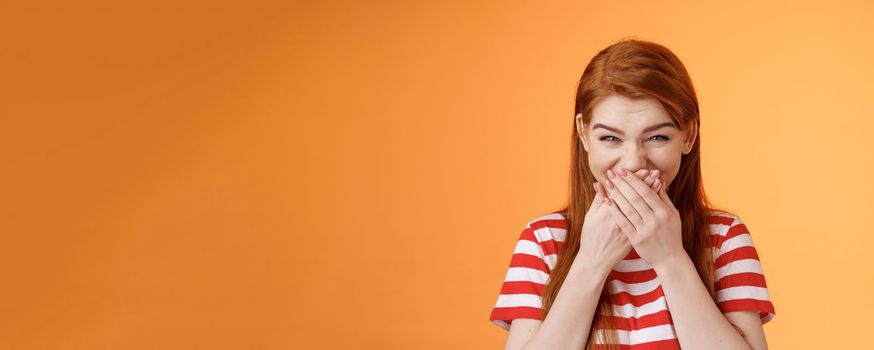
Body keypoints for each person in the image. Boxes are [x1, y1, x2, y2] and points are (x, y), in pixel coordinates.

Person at [488, 39, 775, 350]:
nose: (634, 162)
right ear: (584, 134)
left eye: (657, 137)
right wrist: (591, 262)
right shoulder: (543, 241)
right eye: (610, 137)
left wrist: (670, 258)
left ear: (688, 135)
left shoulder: (723, 238)